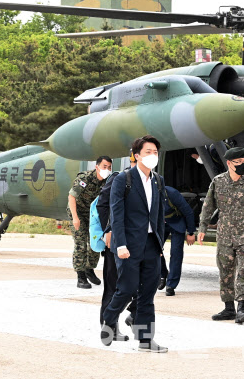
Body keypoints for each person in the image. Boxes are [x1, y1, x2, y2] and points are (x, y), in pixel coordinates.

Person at [101, 135, 167, 353]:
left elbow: (158, 216)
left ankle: (146, 340)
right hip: (128, 244)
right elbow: (116, 214)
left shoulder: (158, 180)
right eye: (148, 152)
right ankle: (109, 319)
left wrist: (159, 246)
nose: (152, 156)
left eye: (155, 152)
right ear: (137, 155)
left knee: (148, 293)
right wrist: (119, 244)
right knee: (127, 289)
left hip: (150, 244)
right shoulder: (124, 179)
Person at [198, 147, 244, 324]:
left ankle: (242, 308)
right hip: (224, 234)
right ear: (229, 163)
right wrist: (202, 227)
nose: (242, 165)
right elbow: (208, 205)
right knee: (225, 271)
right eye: (238, 162)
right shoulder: (218, 181)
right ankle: (228, 308)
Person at [97, 151, 137, 338]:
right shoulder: (120, 179)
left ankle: (135, 318)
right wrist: (109, 230)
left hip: (138, 242)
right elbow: (102, 205)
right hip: (117, 241)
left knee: (141, 284)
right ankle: (109, 327)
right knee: (114, 285)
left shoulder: (153, 181)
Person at [68, 156, 112, 289]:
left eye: (109, 167)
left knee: (95, 241)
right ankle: (80, 276)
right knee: (81, 243)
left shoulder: (107, 181)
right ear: (97, 167)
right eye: (104, 167)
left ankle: (89, 269)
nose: (107, 170)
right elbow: (72, 197)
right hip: (79, 212)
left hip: (93, 215)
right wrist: (75, 218)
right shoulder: (85, 179)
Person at [158, 186, 196, 296]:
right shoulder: (147, 191)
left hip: (177, 222)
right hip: (160, 224)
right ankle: (162, 274)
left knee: (176, 253)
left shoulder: (172, 193)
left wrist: (191, 232)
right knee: (154, 249)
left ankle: (171, 285)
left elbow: (188, 212)